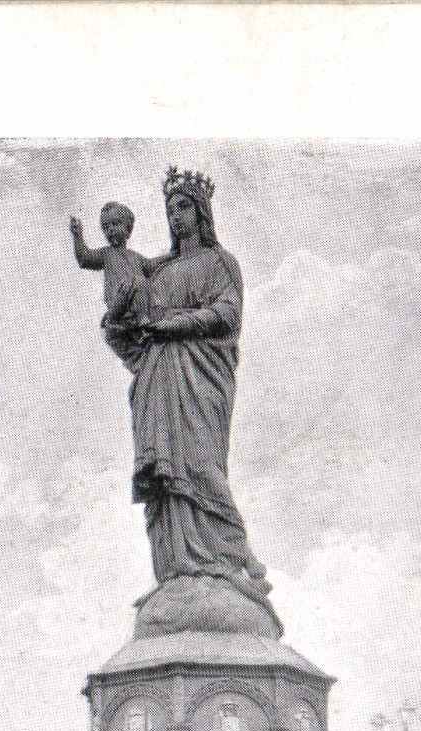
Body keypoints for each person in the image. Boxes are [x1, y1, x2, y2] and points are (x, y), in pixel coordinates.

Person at [126, 167, 275, 617]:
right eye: (171, 209)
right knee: (166, 473)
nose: (176, 217)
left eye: (184, 207)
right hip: (158, 378)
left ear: (202, 212)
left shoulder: (221, 263)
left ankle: (232, 561)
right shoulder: (158, 270)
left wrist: (175, 324)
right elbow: (134, 326)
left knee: (202, 464)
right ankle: (176, 569)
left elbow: (227, 314)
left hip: (200, 375)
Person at [69, 202, 169, 367]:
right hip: (118, 306)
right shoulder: (106, 254)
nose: (111, 230)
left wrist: (170, 255)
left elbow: (152, 265)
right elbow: (84, 259)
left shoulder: (135, 257)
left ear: (128, 229)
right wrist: (77, 235)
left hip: (133, 313)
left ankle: (144, 325)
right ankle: (145, 325)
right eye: (106, 227)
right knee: (136, 282)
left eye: (116, 224)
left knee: (141, 283)